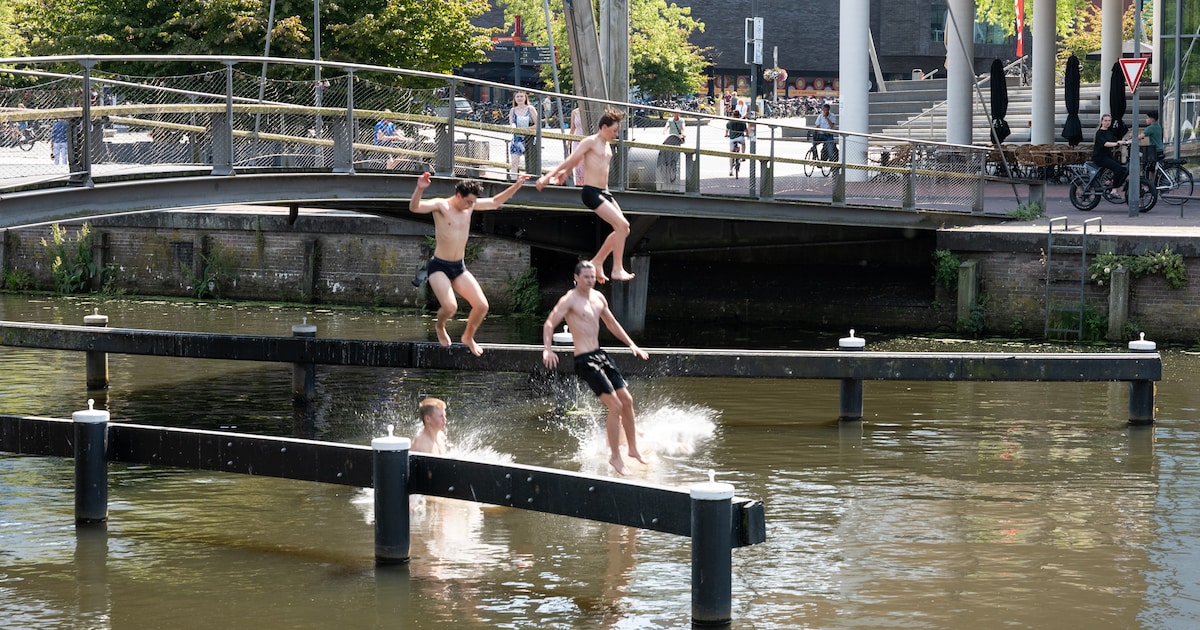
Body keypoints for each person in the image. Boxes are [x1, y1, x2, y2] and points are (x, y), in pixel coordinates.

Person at [542, 260, 649, 475]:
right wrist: (548, 349)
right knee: (615, 406)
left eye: (592, 277)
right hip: (585, 360)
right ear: (576, 278)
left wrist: (631, 344)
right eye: (586, 277)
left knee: (627, 401)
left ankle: (633, 449)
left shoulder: (599, 297)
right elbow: (550, 323)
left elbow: (612, 323)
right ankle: (615, 457)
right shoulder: (569, 300)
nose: (591, 280)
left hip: (601, 355)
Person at [409, 171, 530, 356]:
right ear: (458, 196)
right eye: (468, 202)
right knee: (450, 307)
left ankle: (468, 336)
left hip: (458, 267)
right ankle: (440, 326)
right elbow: (414, 208)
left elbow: (495, 202)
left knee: (482, 306)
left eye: (473, 202)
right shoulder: (441, 205)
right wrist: (419, 188)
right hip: (439, 266)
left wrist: (517, 185)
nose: (471, 206)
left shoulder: (470, 206)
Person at [535, 108, 635, 283]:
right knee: (622, 224)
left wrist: (566, 173)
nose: (616, 134)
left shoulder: (606, 145)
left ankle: (597, 261)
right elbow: (572, 158)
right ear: (604, 127)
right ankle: (617, 268)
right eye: (614, 130)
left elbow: (580, 161)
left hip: (605, 192)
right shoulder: (590, 141)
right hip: (591, 192)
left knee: (624, 229)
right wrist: (548, 176)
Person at [1093, 113, 1131, 200]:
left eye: (1109, 121)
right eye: (1105, 120)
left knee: (1123, 168)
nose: (1107, 122)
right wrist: (1117, 143)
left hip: (1107, 156)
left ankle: (1110, 182)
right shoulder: (1099, 133)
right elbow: (1105, 143)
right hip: (1100, 157)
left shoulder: (1109, 132)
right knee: (1118, 168)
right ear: (1102, 122)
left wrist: (1127, 141)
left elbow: (1116, 140)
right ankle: (1114, 191)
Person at [508, 91, 538, 179]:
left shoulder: (530, 109)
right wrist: (513, 127)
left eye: (521, 96)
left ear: (525, 98)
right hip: (517, 139)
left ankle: (530, 181)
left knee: (530, 163)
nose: (520, 98)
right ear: (515, 99)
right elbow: (511, 123)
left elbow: (537, 124)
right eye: (518, 96)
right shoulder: (513, 110)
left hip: (529, 139)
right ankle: (513, 180)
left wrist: (526, 129)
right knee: (514, 161)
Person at [725, 110, 747, 176]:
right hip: (740, 138)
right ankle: (743, 155)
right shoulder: (742, 122)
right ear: (739, 115)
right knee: (743, 144)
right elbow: (746, 130)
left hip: (732, 139)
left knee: (731, 154)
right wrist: (747, 135)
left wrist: (726, 134)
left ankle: (730, 170)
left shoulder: (730, 122)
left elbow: (727, 130)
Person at [569, 106, 586, 186]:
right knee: (578, 165)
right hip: (577, 140)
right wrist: (568, 142)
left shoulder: (588, 111)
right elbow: (573, 128)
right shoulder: (574, 112)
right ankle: (579, 184)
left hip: (587, 139)